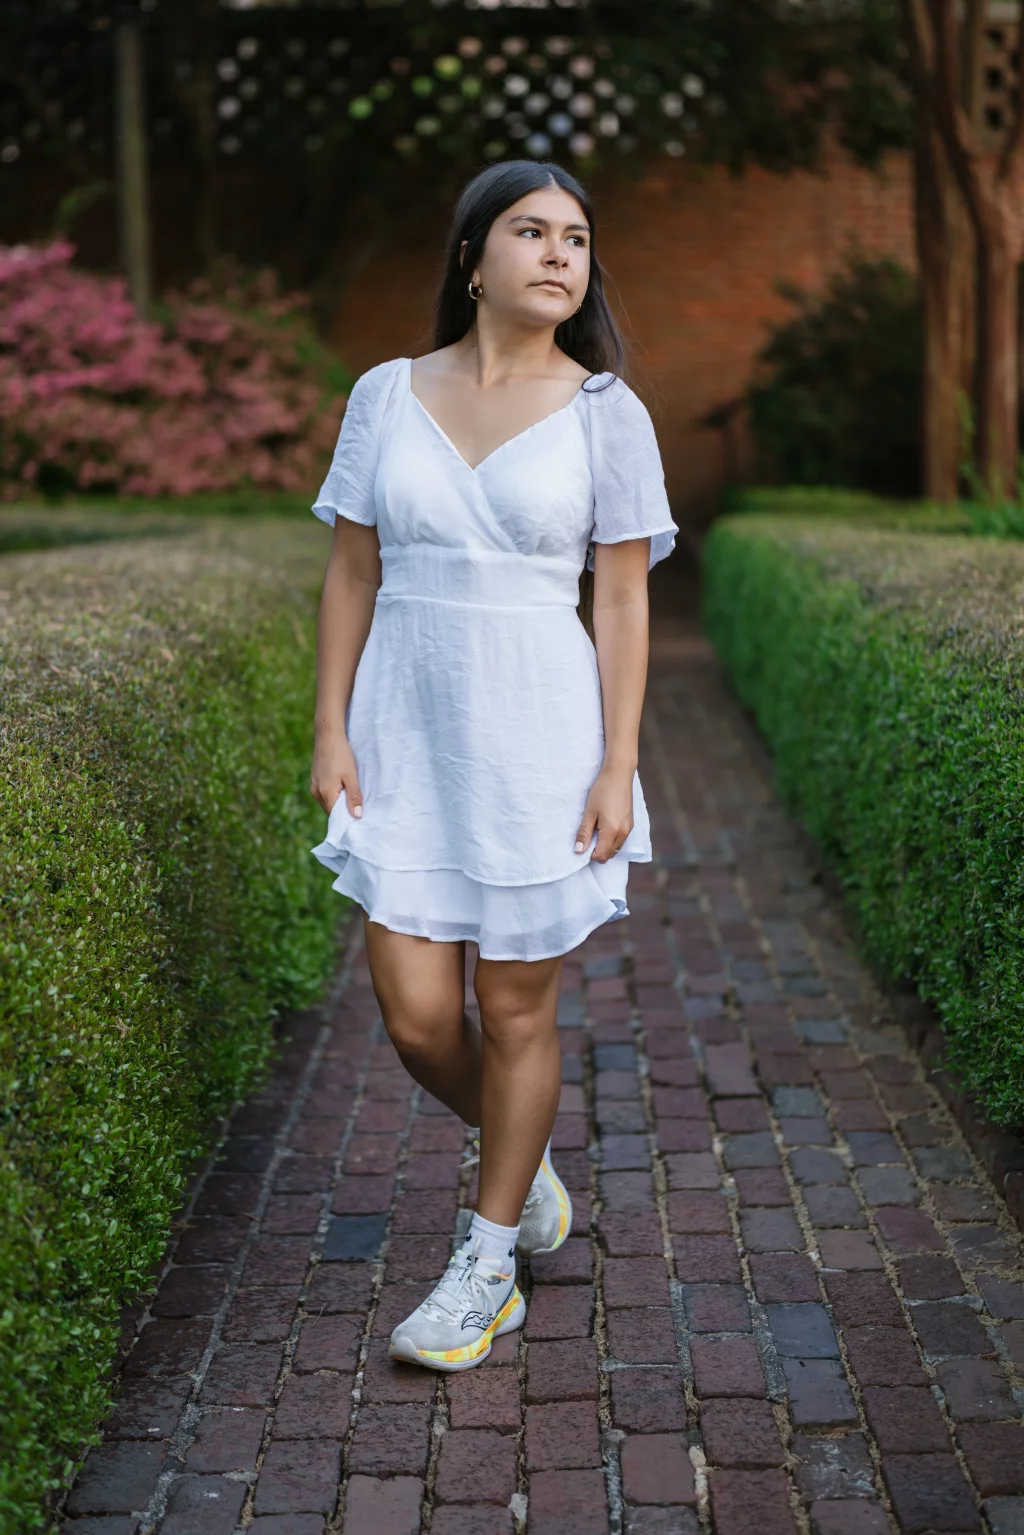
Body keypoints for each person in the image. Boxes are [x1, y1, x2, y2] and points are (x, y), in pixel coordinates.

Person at [309, 159, 676, 1373]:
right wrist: (329, 726)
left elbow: (619, 601)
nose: (560, 253)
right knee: (417, 1019)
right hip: (406, 726)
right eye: (531, 231)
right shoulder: (385, 392)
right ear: (474, 259)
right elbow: (353, 568)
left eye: (577, 237)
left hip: (538, 729)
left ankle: (487, 1258)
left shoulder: (604, 411)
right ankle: (526, 1163)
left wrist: (616, 765)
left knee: (514, 1007)